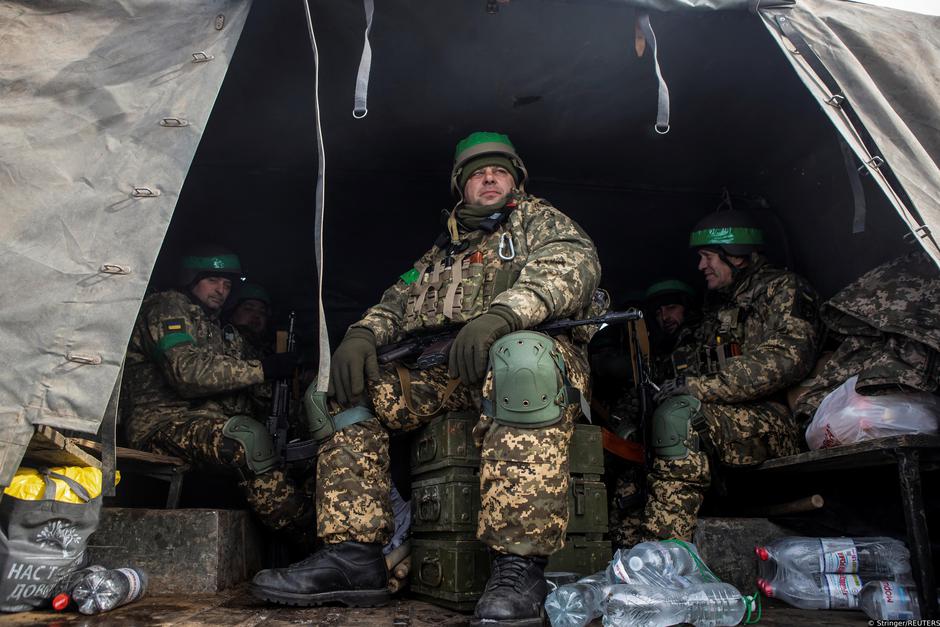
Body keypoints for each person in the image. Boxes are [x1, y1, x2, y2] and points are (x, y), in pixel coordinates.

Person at [250, 132, 602, 626]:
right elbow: (397, 301)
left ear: (516, 180)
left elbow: (571, 266)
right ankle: (354, 556)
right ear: (461, 186)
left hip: (529, 361)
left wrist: (502, 315)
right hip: (449, 369)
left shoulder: (539, 220)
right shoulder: (442, 252)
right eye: (478, 173)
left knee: (521, 359)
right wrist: (362, 334)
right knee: (339, 388)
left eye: (500, 171)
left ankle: (519, 568)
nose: (490, 178)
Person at [627, 210, 819, 544]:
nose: (701, 266)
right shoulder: (718, 306)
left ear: (737, 256)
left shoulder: (783, 289)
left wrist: (698, 387)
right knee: (643, 432)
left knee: (677, 419)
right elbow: (690, 362)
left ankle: (664, 552)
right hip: (728, 412)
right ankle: (626, 547)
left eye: (708, 256)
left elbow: (787, 359)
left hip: (775, 417)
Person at [120, 246, 313, 539]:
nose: (221, 290)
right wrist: (263, 368)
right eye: (212, 281)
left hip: (200, 421)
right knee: (246, 440)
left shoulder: (212, 325)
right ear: (191, 279)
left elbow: (234, 378)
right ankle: (302, 533)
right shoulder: (167, 307)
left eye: (227, 285)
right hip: (161, 425)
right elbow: (187, 373)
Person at [226, 282, 273, 360]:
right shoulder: (225, 339)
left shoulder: (265, 348)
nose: (257, 315)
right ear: (233, 312)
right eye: (248, 309)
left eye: (262, 312)